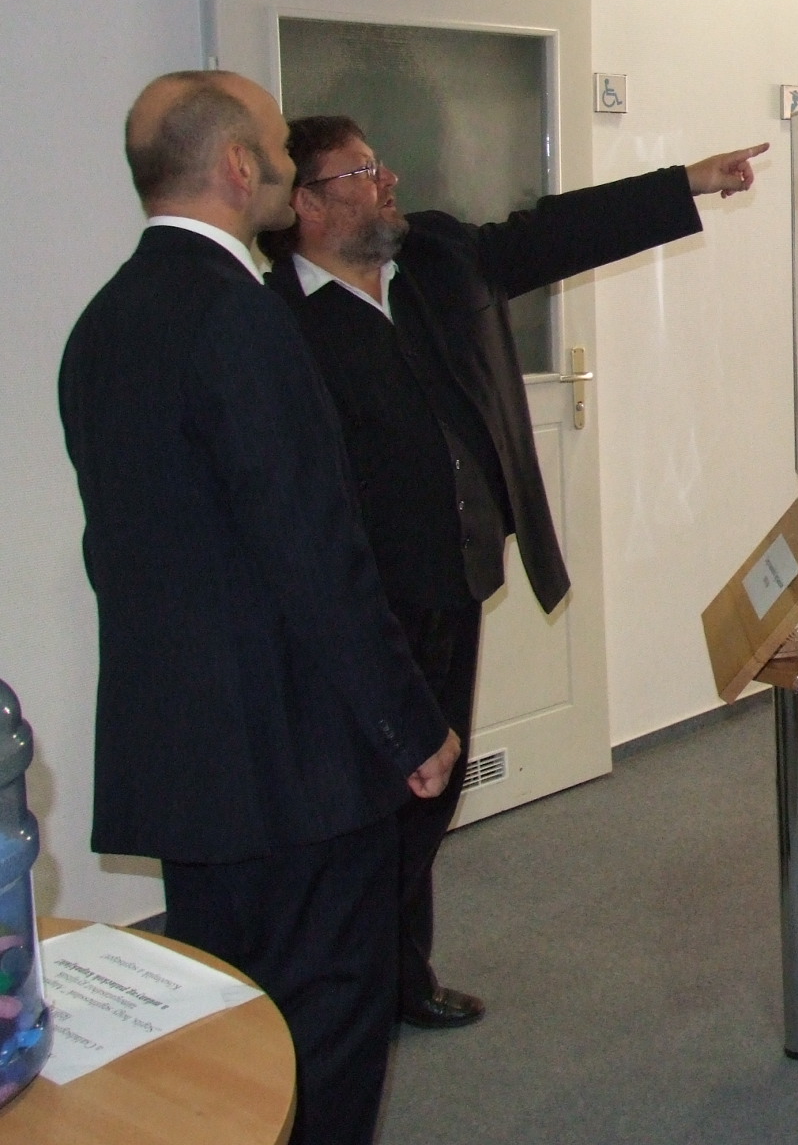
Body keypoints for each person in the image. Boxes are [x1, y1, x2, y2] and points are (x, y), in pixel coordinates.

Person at [259, 115, 767, 1029]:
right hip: (357, 608)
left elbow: (555, 232)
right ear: (306, 203)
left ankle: (399, 974)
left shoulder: (433, 261)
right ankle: (349, 986)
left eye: (380, 161)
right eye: (362, 171)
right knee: (369, 806)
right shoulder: (275, 323)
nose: (387, 179)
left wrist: (689, 180)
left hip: (452, 578)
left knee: (433, 790)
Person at [60, 71, 460, 1145]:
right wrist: (409, 724)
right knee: (324, 1028)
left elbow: (121, 552)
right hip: (292, 770)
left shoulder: (102, 325)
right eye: (280, 148)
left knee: (224, 1034)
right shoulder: (243, 320)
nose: (288, 165)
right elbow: (314, 553)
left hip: (184, 762)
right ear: (240, 167)